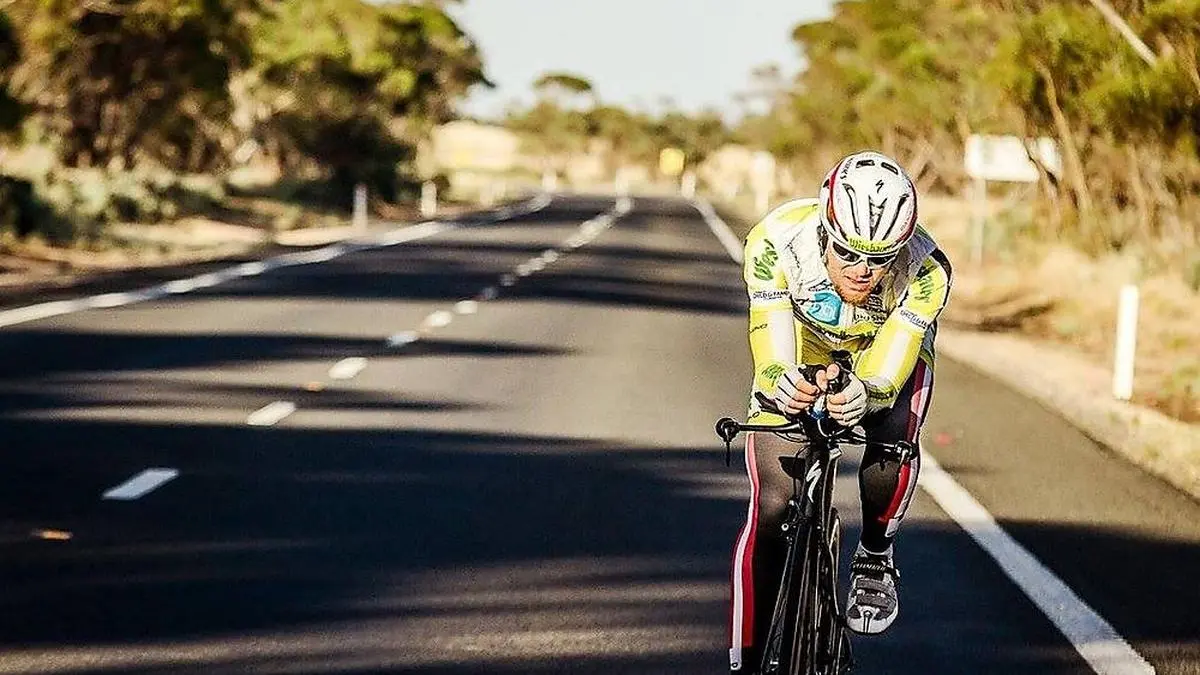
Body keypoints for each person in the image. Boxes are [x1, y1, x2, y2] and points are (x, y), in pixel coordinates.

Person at [728, 151, 953, 673]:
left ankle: (874, 554)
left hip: (882, 349)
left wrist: (866, 395)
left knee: (893, 436)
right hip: (801, 343)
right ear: (825, 230)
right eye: (847, 253)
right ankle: (746, 661)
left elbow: (888, 374)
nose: (862, 271)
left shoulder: (926, 271)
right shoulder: (775, 242)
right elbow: (771, 350)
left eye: (880, 259)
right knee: (771, 507)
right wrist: (780, 382)